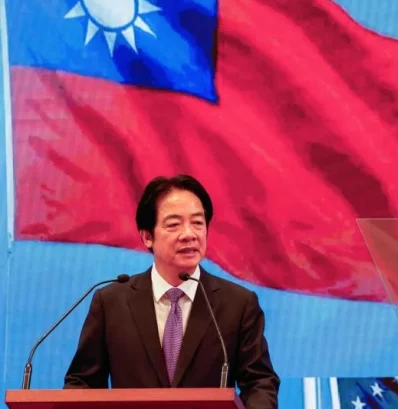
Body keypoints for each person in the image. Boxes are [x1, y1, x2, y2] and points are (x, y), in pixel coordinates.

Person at [63, 174, 280, 409]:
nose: (189, 234)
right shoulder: (111, 302)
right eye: (174, 225)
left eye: (197, 223)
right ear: (147, 236)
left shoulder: (238, 304)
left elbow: (259, 382)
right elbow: (82, 383)